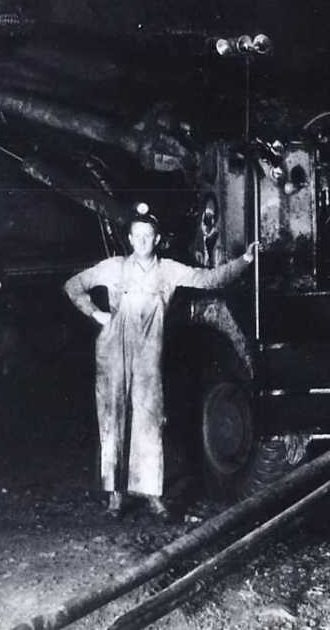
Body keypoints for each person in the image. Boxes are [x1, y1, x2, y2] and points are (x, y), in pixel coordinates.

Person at [64, 202, 257, 519]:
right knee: (112, 419)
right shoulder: (113, 267)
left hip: (148, 352)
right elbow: (73, 286)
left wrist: (245, 260)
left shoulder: (168, 270)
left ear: (157, 240)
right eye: (136, 235)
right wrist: (97, 314)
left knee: (150, 420)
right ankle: (115, 496)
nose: (142, 241)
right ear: (129, 239)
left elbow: (210, 279)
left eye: (148, 236)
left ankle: (152, 493)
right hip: (112, 350)